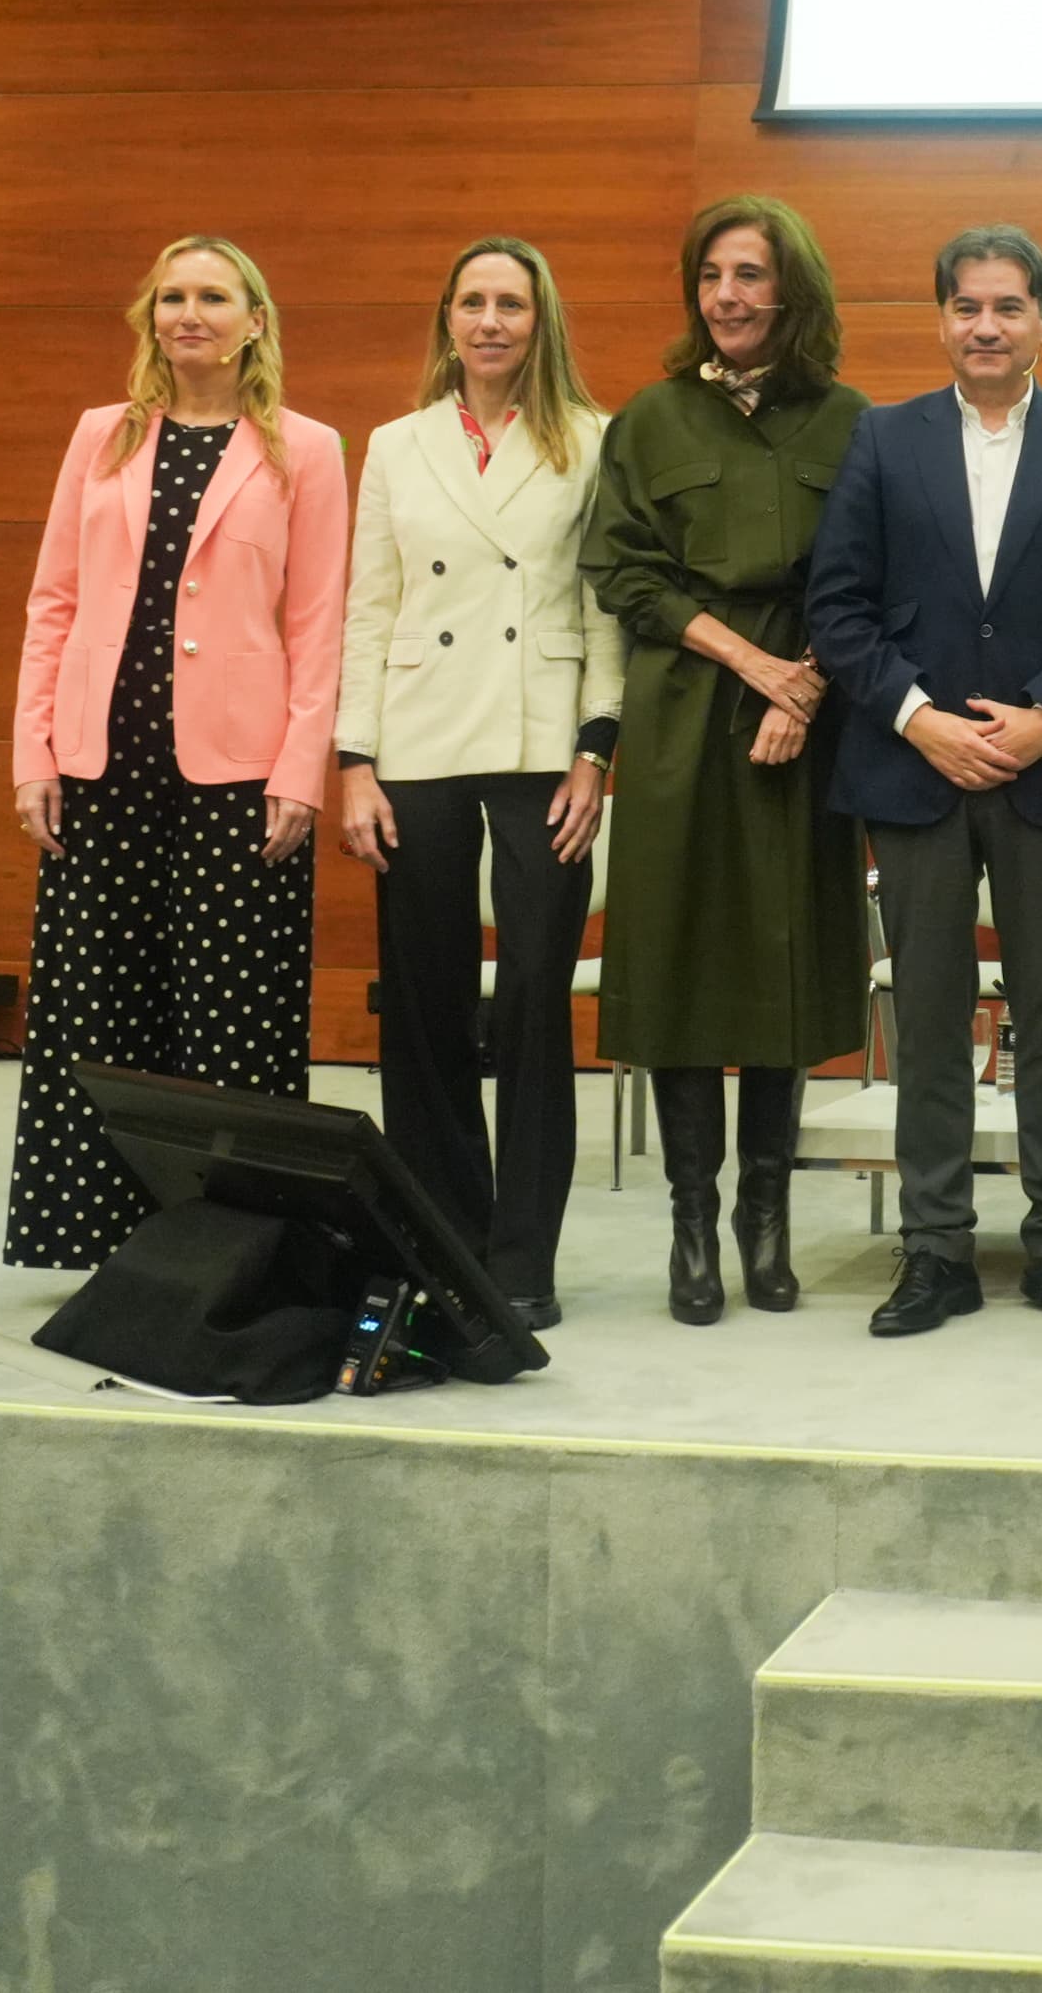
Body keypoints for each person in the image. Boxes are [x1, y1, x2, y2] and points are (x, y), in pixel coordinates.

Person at [807, 225, 1042, 1339]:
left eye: (1008, 306)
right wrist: (919, 721)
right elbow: (838, 610)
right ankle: (934, 1248)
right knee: (931, 1011)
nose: (987, 326)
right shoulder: (883, 438)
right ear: (943, 320)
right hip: (914, 772)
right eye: (967, 306)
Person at [5, 236, 348, 1269]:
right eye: (170, 296)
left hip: (238, 777)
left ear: (256, 321)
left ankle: (234, 1248)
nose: (188, 313)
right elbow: (53, 602)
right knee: (96, 1008)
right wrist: (34, 751)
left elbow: (318, 622)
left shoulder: (307, 449)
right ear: (149, 316)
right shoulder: (101, 437)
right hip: (101, 764)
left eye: (212, 296)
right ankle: (97, 1242)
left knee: (229, 1018)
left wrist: (300, 771)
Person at [582, 195, 869, 1327]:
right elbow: (624, 572)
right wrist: (758, 667)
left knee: (781, 968)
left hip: (807, 716)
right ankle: (691, 1224)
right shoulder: (649, 420)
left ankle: (768, 1220)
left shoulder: (851, 421)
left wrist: (803, 683)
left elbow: (861, 578)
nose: (729, 298)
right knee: (682, 965)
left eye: (750, 277)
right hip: (683, 720)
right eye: (711, 278)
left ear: (790, 293)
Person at [336, 238, 616, 1331]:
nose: (492, 321)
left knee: (538, 1003)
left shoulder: (592, 441)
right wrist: (354, 763)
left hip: (546, 740)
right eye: (474, 302)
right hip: (418, 744)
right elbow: (368, 605)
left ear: (542, 321)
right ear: (445, 319)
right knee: (427, 1006)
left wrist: (598, 750)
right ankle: (442, 1233)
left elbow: (604, 609)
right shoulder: (397, 444)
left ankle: (523, 1257)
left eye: (513, 303)